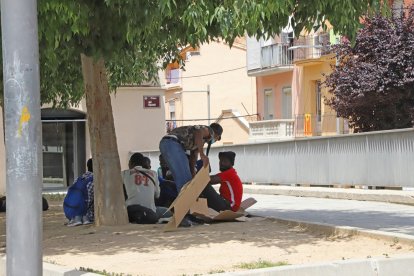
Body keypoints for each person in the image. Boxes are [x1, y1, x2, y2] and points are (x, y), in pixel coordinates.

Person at [159, 123, 223, 193]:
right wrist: (202, 154)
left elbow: (194, 155)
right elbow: (199, 132)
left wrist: (193, 174)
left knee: (186, 181)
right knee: (185, 183)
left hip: (166, 143)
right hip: (173, 143)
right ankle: (186, 202)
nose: (215, 141)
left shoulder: (199, 142)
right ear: (217, 135)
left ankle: (184, 201)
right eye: (217, 139)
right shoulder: (210, 131)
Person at [122, 153, 171, 224]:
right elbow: (157, 195)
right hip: (150, 214)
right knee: (168, 211)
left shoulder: (124, 173)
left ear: (131, 163)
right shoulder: (153, 173)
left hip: (130, 213)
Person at [64, 158, 94, 226]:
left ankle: (78, 218)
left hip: (71, 212)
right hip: (88, 213)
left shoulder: (79, 178)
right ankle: (84, 217)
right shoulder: (96, 181)